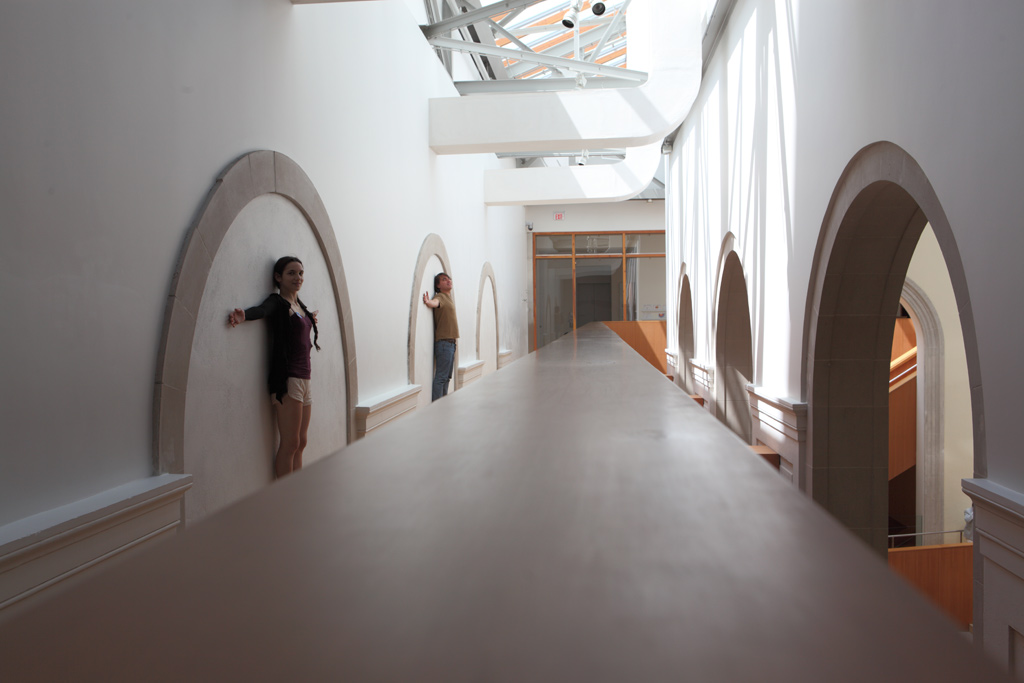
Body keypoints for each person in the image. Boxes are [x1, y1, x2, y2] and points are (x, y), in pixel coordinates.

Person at [228, 256, 319, 479]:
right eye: (291, 273)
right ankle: (285, 495)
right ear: (278, 277)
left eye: (300, 273)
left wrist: (310, 320)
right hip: (288, 380)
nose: (298, 277)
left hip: (305, 378)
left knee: (302, 442)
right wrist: (244, 315)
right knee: (291, 442)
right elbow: (263, 310)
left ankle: (296, 489)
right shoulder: (278, 302)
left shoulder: (300, 307)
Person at [422, 272, 459, 401]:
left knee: (447, 378)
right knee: (441, 377)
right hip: (444, 344)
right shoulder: (441, 296)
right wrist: (428, 302)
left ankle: (443, 404)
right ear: (438, 285)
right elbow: (435, 302)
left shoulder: (448, 298)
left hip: (451, 344)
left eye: (449, 279)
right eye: (444, 279)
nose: (448, 281)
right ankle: (437, 407)